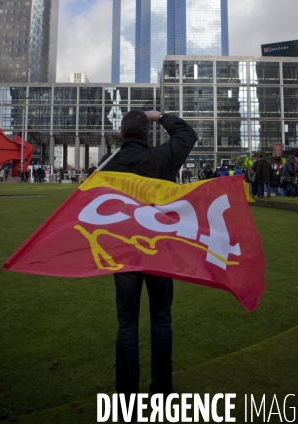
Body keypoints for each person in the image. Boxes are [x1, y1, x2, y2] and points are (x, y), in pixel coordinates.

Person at [99, 109, 197, 417]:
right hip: (158, 250)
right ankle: (162, 392)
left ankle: (126, 399)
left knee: (127, 323)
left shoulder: (108, 168)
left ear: (120, 135)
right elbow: (187, 135)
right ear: (148, 134)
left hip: (125, 254)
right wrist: (161, 116)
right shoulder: (160, 158)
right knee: (161, 319)